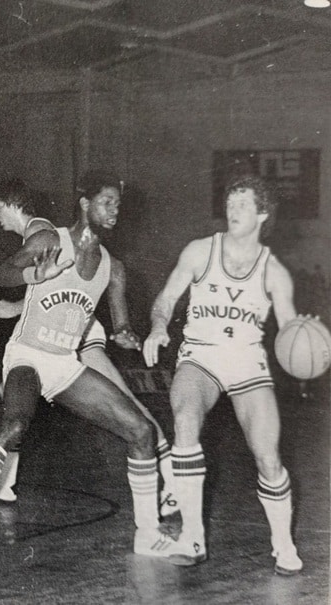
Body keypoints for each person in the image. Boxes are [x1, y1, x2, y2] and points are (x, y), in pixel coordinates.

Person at [0, 170, 188, 564]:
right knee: (15, 425)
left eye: (118, 203)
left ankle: (148, 534)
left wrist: (129, 336)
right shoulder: (51, 240)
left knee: (141, 431)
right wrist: (35, 274)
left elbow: (120, 327)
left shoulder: (113, 269)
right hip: (27, 355)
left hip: (65, 364)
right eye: (106, 201)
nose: (114, 209)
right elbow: (0, 273)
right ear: (84, 203)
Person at [0, 179, 177, 512]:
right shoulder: (46, 235)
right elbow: (48, 290)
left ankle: (173, 481)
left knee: (125, 403)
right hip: (63, 329)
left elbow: (46, 287)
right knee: (11, 396)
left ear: (9, 203)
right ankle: (4, 481)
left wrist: (15, 307)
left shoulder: (42, 232)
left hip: (80, 332)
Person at [142, 175, 302, 574]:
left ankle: (282, 542)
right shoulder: (200, 251)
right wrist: (159, 326)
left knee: (267, 457)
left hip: (247, 362)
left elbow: (290, 334)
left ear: (263, 214)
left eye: (244, 205)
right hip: (202, 357)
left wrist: (308, 342)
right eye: (230, 203)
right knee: (185, 420)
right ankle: (192, 536)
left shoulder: (274, 271)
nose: (233, 211)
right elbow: (165, 298)